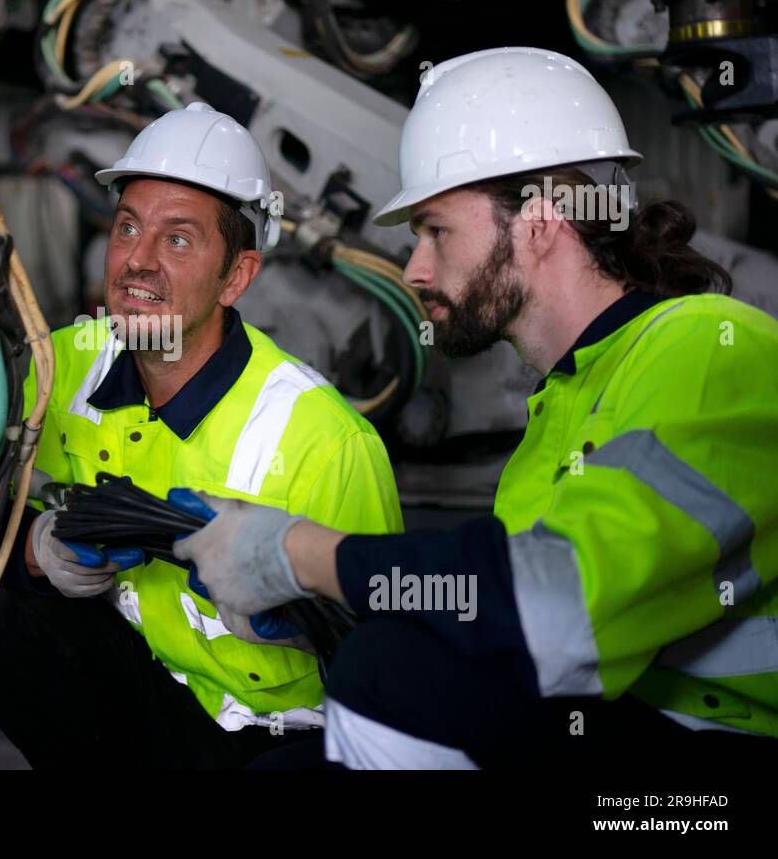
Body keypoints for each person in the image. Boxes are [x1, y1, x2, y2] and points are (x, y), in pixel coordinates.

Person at [174, 47, 778, 768]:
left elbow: (552, 611)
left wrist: (300, 554)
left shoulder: (709, 348)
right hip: (612, 735)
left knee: (392, 668)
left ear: (539, 220)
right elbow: (496, 611)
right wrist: (319, 609)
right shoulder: (562, 403)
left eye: (435, 230)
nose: (414, 270)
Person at [0, 102, 402, 768]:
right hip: (149, 693)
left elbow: (387, 658)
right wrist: (38, 551)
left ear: (236, 275)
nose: (138, 262)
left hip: (277, 739)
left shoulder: (321, 438)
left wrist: (289, 609)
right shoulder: (56, 368)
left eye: (178, 239)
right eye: (127, 228)